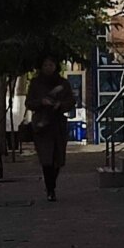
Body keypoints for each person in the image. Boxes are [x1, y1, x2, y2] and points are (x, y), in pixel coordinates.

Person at [24, 55, 76, 201]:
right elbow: (29, 102)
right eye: (46, 65)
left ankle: (52, 184)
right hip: (42, 124)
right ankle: (50, 189)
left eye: (51, 65)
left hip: (58, 123)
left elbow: (71, 101)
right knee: (46, 158)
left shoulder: (63, 83)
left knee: (58, 158)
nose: (48, 68)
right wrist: (41, 102)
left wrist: (61, 104)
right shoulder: (36, 83)